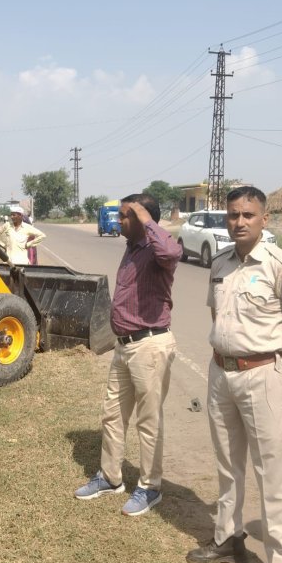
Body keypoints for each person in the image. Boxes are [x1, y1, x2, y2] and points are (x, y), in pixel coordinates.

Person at [186, 186, 282, 563]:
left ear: (265, 219)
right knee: (227, 463)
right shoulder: (220, 263)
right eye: (233, 215)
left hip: (263, 374)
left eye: (248, 215)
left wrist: (274, 367)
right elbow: (216, 314)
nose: (239, 222)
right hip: (221, 372)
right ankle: (229, 538)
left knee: (271, 473)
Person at [74, 193, 181, 517]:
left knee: (148, 421)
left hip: (150, 345)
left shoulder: (157, 248)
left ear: (141, 218)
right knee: (112, 414)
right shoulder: (132, 248)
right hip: (125, 346)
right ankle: (110, 476)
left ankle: (150, 487)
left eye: (124, 216)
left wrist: (148, 220)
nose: (118, 221)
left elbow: (172, 252)